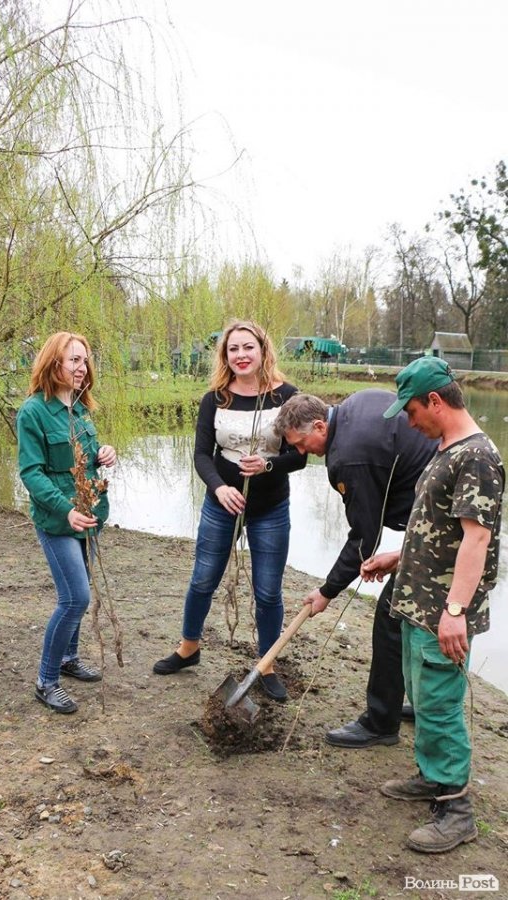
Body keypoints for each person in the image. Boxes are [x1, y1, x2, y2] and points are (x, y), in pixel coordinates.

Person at [361, 356, 504, 853]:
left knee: (441, 707)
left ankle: (457, 807)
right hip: (416, 603)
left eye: (412, 409)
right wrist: (398, 557)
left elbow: (477, 539)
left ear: (436, 402)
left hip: (443, 609)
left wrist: (456, 611)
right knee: (422, 700)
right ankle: (431, 776)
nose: (408, 420)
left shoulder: (478, 457)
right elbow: (440, 529)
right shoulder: (446, 449)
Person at [273, 389, 438, 746]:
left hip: (438, 518)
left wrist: (327, 591)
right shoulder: (354, 405)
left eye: (301, 443)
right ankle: (418, 702)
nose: (302, 452)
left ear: (319, 424)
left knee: (392, 618)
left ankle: (381, 723)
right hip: (435, 511)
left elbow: (364, 537)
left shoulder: (348, 457)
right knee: (414, 618)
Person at [153, 320, 306, 701]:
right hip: (221, 505)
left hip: (270, 508)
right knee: (203, 578)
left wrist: (268, 465)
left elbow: (300, 455)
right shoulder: (215, 399)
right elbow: (202, 455)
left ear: (263, 350)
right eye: (233, 349)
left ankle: (266, 663)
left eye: (247, 347)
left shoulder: (286, 397)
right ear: (225, 356)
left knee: (268, 590)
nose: (240, 355)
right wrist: (219, 488)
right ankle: (189, 648)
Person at [17, 332, 117, 714]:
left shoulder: (79, 408)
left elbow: (84, 460)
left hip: (88, 517)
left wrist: (104, 453)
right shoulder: (33, 412)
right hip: (59, 522)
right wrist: (65, 509)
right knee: (75, 597)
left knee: (81, 589)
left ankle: (68, 658)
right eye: (73, 360)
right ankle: (46, 680)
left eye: (84, 360)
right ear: (53, 362)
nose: (81, 368)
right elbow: (32, 473)